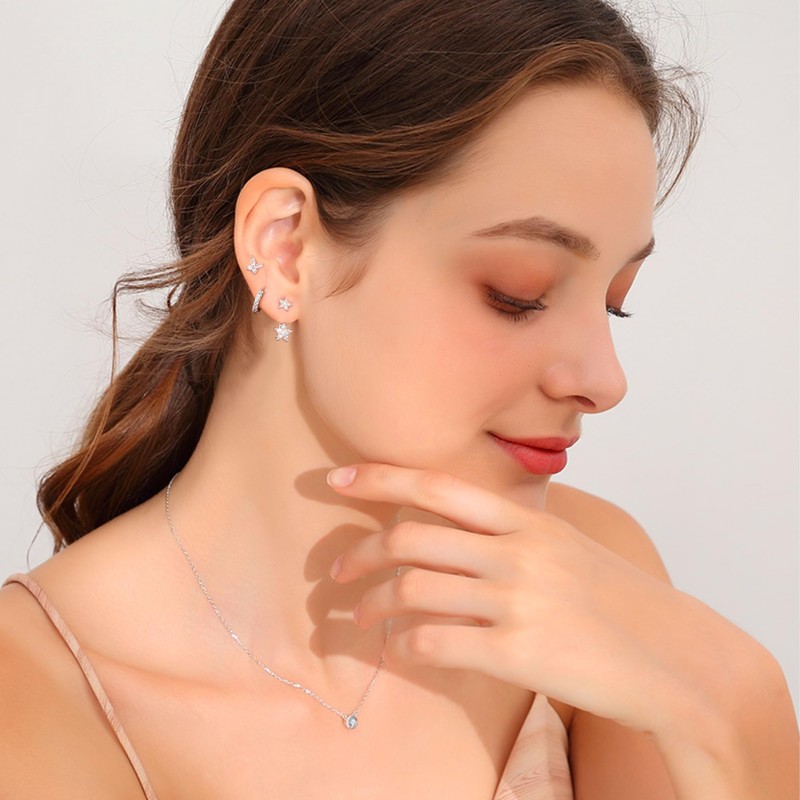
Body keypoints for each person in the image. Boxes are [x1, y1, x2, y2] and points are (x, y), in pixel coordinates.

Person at [0, 0, 796, 797]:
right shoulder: (35, 692)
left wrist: (737, 701)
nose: (604, 381)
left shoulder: (587, 579)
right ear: (286, 249)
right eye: (517, 292)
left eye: (614, 301)